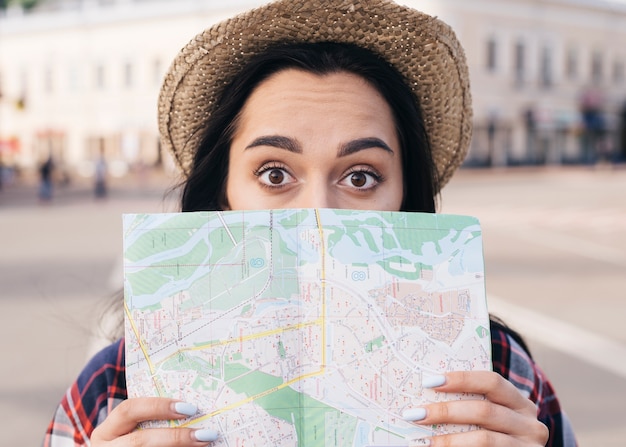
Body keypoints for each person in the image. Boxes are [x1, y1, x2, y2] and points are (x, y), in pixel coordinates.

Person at [43, 1, 577, 446]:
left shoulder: (499, 376)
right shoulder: (114, 389)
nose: (317, 214)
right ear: (221, 197)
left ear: (407, 202)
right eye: (274, 173)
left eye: (362, 177)